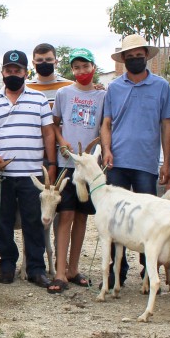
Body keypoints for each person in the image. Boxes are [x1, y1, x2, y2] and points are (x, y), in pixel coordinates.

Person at [0, 50, 56, 288]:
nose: (13, 74)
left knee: (33, 222)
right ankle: (7, 266)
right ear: (2, 72)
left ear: (25, 72)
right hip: (3, 176)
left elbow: (48, 132)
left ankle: (36, 269)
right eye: (8, 70)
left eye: (17, 70)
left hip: (32, 174)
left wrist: (51, 164)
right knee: (3, 221)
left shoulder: (39, 99)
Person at [100, 34, 170, 286]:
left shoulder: (161, 86)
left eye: (138, 56)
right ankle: (115, 273)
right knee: (115, 219)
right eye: (130, 56)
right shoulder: (114, 88)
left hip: (146, 163)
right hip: (117, 162)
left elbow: (166, 125)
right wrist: (106, 149)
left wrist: (166, 162)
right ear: (123, 59)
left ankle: (148, 274)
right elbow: (106, 123)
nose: (134, 59)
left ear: (146, 57)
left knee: (148, 220)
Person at [49, 48, 104, 293]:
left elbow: (105, 126)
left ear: (93, 68)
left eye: (85, 66)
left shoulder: (103, 95)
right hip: (67, 165)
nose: (82, 71)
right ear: (71, 70)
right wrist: (62, 142)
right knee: (66, 215)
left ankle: (73, 269)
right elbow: (54, 124)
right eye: (77, 67)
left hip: (90, 168)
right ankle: (60, 272)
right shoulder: (64, 93)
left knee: (82, 217)